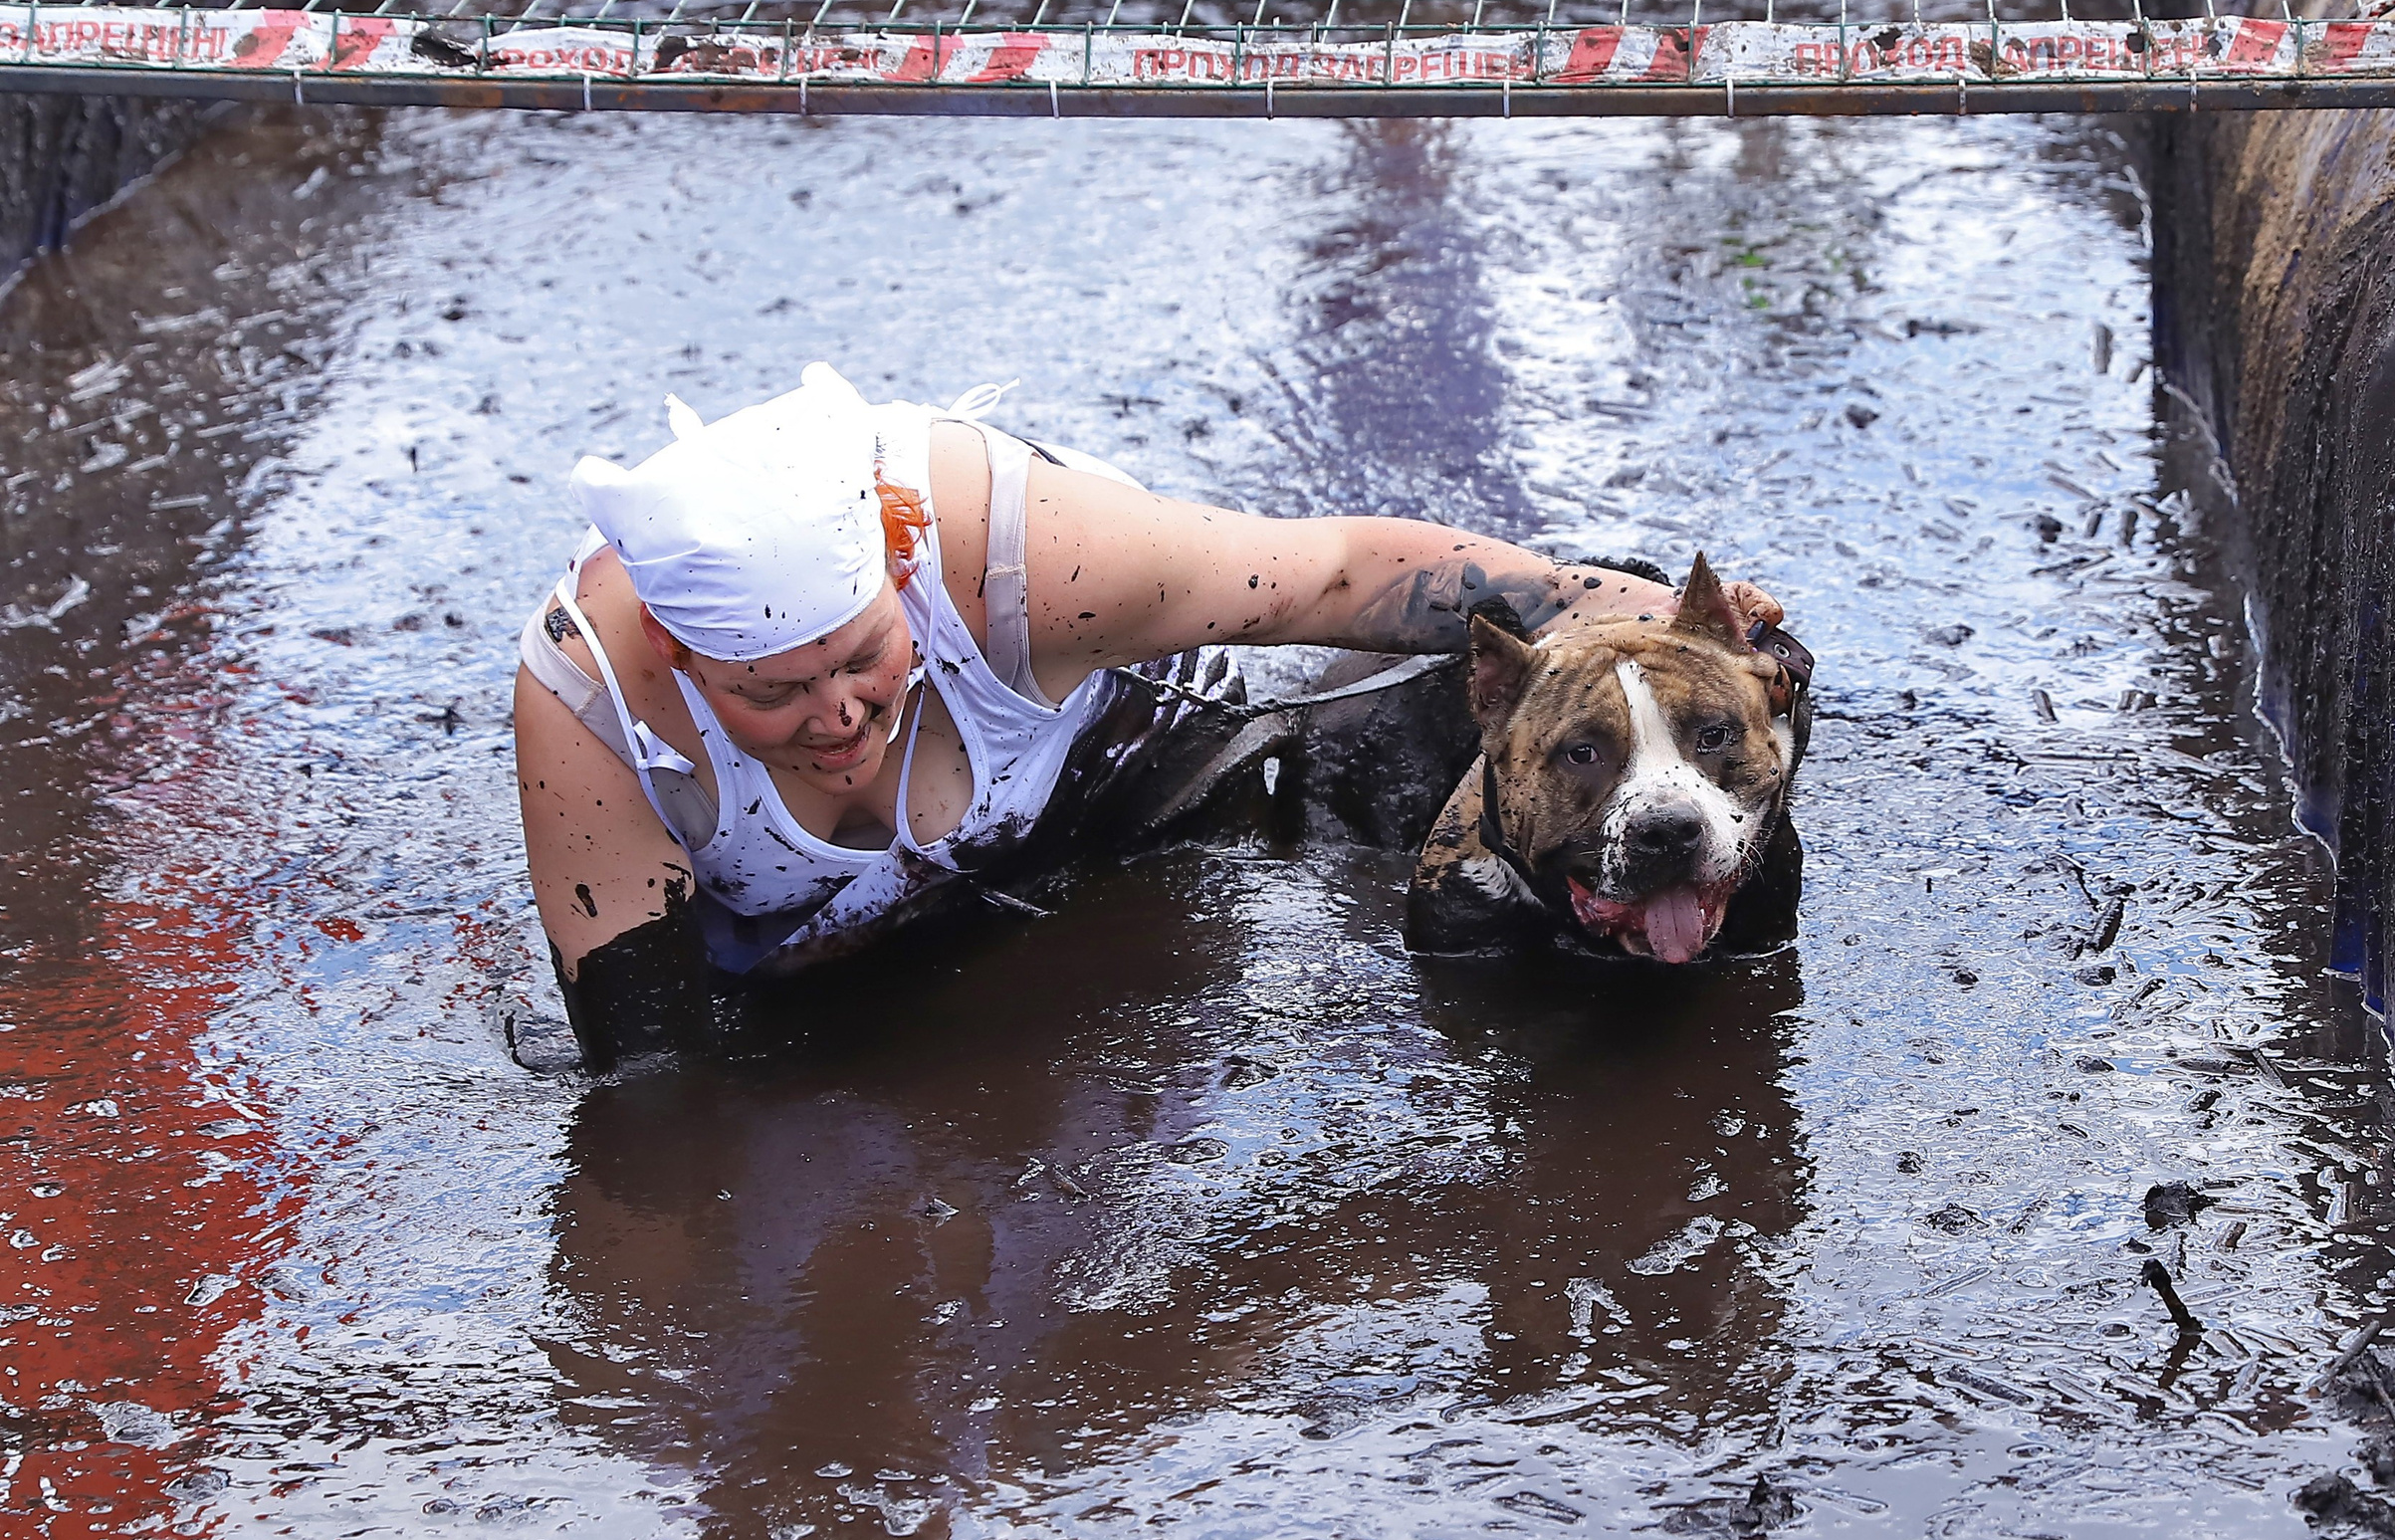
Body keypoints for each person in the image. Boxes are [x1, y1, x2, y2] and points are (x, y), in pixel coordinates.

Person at [514, 364, 1784, 1068]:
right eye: (772, 693)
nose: (839, 714)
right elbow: (649, 1071)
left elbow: (1331, 575)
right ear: (679, 656)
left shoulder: (1021, 554)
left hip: (1122, 781)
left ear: (908, 579)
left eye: (861, 659)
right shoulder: (597, 713)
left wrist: (1616, 607)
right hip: (822, 966)